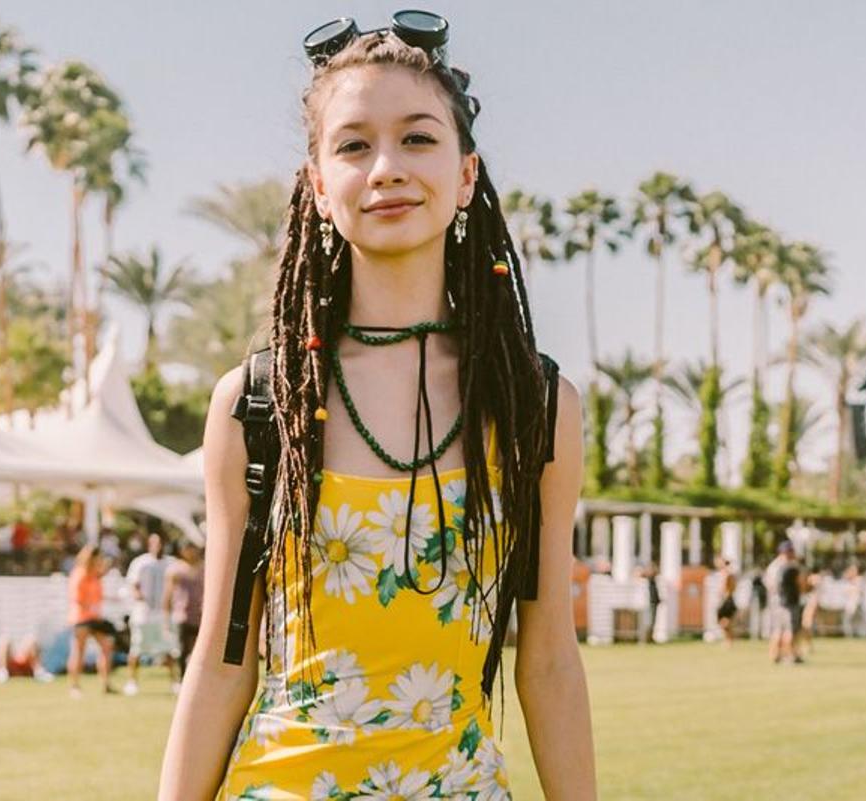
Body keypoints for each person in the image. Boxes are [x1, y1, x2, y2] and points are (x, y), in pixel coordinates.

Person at [158, 15, 594, 800]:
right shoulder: (259, 404)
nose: (387, 166)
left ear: (466, 176)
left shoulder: (534, 404)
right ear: (319, 187)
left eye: (419, 139)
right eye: (354, 145)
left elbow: (551, 659)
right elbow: (223, 660)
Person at [123, 533, 177, 696]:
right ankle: (132, 682)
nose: (158, 546)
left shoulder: (171, 563)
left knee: (170, 649)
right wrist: (138, 595)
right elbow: (133, 584)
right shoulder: (140, 563)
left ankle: (175, 682)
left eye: (160, 542)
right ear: (149, 544)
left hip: (164, 615)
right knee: (137, 649)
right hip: (143, 614)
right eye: (154, 543)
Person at [66, 543, 119, 697]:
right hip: (81, 618)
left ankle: (105, 683)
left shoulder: (95, 576)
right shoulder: (80, 574)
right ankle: (74, 686)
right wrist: (89, 607)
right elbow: (77, 598)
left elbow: (98, 596)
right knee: (79, 651)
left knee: (107, 646)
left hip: (95, 618)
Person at [163, 539, 205, 694]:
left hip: (200, 615)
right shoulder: (175, 569)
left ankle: (196, 680)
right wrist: (166, 617)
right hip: (181, 615)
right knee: (182, 650)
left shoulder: (203, 567)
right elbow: (167, 594)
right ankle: (181, 680)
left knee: (200, 651)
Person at [714, 556, 738, 649]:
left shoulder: (726, 574)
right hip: (727, 599)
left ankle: (729, 641)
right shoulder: (727, 573)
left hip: (726, 599)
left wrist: (722, 594)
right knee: (725, 622)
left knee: (725, 622)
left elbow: (725, 588)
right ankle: (728, 640)